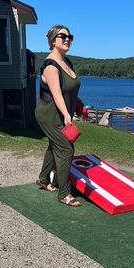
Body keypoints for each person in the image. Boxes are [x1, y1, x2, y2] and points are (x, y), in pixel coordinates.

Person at [35, 24, 83, 207]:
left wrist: (79, 103)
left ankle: (43, 179)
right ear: (52, 40)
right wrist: (67, 116)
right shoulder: (50, 65)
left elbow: (69, 89)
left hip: (62, 113)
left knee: (54, 146)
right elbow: (56, 93)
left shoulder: (67, 62)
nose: (67, 39)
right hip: (49, 115)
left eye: (70, 36)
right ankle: (64, 193)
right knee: (66, 149)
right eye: (62, 36)